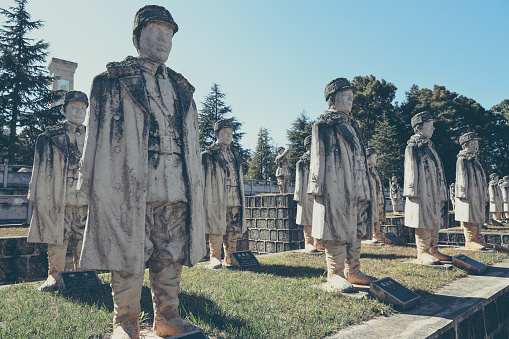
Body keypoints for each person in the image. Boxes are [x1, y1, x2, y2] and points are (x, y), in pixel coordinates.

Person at [77, 5, 206, 338]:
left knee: (171, 251)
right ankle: (127, 321)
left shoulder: (183, 89)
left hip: (176, 182)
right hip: (129, 181)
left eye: (169, 34)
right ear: (137, 37)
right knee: (128, 252)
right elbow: (94, 136)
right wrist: (87, 183)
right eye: (156, 32)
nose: (164, 40)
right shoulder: (111, 82)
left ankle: (168, 316)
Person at [308, 77, 376, 292]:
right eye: (346, 96)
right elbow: (317, 157)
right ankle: (334, 274)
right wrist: (317, 187)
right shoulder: (323, 125)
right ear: (332, 99)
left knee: (356, 225)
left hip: (356, 182)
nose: (350, 100)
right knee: (336, 227)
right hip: (335, 183)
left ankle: (353, 270)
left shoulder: (353, 126)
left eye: (352, 97)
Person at [27, 90, 89, 290]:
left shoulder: (93, 137)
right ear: (64, 110)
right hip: (59, 195)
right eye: (74, 107)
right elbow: (41, 168)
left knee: (83, 236)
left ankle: (85, 273)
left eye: (83, 108)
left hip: (85, 197)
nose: (79, 112)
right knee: (57, 236)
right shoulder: (50, 136)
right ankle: (54, 275)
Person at [404, 111, 450, 265]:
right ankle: (423, 252)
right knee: (423, 220)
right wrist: (412, 192)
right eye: (430, 125)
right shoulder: (413, 147)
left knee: (434, 218)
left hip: (433, 190)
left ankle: (434, 249)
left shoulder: (430, 146)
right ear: (418, 127)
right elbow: (410, 170)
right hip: (421, 190)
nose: (433, 128)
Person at [202, 118, 246, 269]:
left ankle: (231, 256)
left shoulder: (235, 155)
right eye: (225, 133)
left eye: (230, 133)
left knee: (232, 227)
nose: (228, 136)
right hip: (216, 197)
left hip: (234, 197)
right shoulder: (208, 155)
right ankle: (215, 257)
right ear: (217, 134)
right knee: (216, 226)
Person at [454, 132, 490, 250]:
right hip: (468, 194)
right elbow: (461, 177)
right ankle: (470, 240)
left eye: (477, 143)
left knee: (478, 215)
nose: (476, 146)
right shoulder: (463, 159)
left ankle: (478, 238)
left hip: (477, 193)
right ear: (465, 144)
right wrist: (463, 194)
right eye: (473, 143)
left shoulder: (474, 159)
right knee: (470, 216)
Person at [294, 135, 324, 252]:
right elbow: (299, 181)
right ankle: (309, 242)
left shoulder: (320, 161)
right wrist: (298, 197)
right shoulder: (302, 162)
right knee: (308, 218)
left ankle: (319, 241)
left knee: (319, 217)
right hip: (306, 194)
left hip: (318, 193)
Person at [366, 147, 386, 243]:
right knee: (372, 214)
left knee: (378, 214)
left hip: (378, 196)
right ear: (368, 157)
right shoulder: (365, 169)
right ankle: (371, 234)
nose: (376, 159)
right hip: (371, 196)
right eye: (374, 156)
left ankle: (377, 233)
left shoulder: (375, 169)